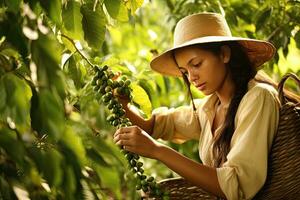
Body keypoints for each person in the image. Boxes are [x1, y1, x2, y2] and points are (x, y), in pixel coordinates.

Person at [113, 12, 280, 200]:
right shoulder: (209, 108)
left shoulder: (258, 98)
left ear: (224, 54)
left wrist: (157, 151)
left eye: (197, 64)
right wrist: (124, 106)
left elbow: (235, 186)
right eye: (185, 72)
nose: (192, 78)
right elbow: (155, 126)